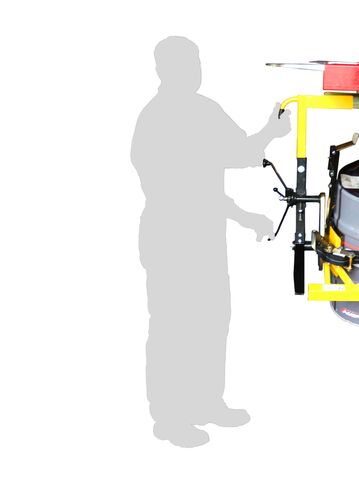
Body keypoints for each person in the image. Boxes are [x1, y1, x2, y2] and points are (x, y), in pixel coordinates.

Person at [131, 36, 290, 447]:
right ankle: (168, 418)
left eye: (196, 63)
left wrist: (270, 133)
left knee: (212, 319)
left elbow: (238, 153)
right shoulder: (155, 120)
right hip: (169, 238)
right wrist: (244, 215)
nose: (194, 72)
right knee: (173, 327)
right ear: (163, 70)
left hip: (204, 237)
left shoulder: (205, 109)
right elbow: (185, 188)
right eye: (186, 65)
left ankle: (206, 403)